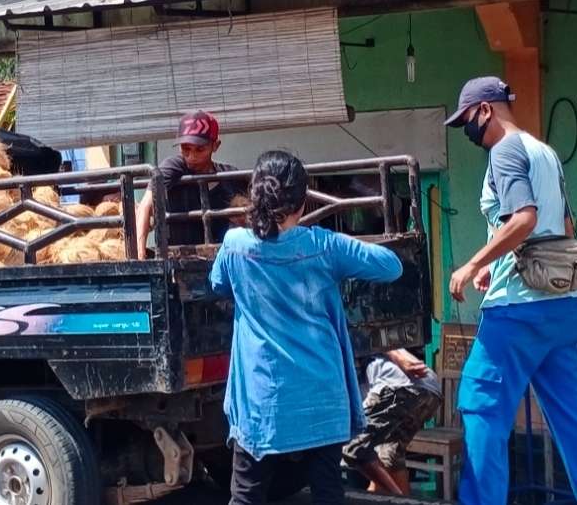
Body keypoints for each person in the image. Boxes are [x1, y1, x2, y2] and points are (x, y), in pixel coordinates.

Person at [210, 150, 403, 504]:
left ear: (256, 194)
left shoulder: (235, 246)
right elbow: (391, 267)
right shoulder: (323, 245)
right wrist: (339, 249)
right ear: (302, 201)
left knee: (246, 497)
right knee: (328, 492)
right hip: (321, 400)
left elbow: (217, 284)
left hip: (262, 404)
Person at [444, 76, 577, 505]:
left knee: (480, 405)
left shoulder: (503, 150)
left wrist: (473, 265)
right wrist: (498, 261)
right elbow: (564, 228)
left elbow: (523, 219)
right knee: (575, 420)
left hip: (516, 312)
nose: (467, 130)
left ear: (484, 110)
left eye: (466, 119)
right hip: (562, 306)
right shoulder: (545, 152)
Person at [136, 110, 247, 258]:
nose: (192, 157)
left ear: (215, 146)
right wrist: (139, 253)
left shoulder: (231, 177)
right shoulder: (174, 166)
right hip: (180, 261)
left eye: (200, 149)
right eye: (185, 149)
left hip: (225, 259)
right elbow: (146, 204)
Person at [342, 348, 442, 495]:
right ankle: (402, 497)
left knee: (351, 445)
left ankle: (399, 499)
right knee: (389, 456)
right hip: (430, 390)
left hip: (399, 387)